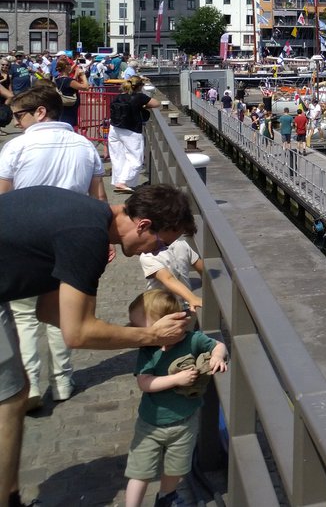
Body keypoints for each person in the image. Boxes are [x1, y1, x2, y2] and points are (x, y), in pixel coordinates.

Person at [1, 184, 196, 507]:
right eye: (160, 243)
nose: (154, 253)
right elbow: (77, 335)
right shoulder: (87, 237)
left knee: (16, 392)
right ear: (143, 225)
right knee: (8, 399)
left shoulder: (89, 219)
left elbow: (49, 311)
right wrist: (151, 336)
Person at [0, 83, 106, 415]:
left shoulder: (16, 148)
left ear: (40, 112)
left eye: (19, 115)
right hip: (71, 242)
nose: (15, 123)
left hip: (25, 244)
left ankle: (31, 385)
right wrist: (101, 242)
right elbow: (99, 200)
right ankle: (62, 382)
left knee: (25, 318)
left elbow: (3, 202)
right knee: (62, 314)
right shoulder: (85, 145)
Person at [122, 290, 227, 507]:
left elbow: (218, 345)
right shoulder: (148, 350)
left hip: (184, 422)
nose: (133, 330)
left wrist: (217, 356)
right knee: (140, 471)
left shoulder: (192, 340)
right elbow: (145, 383)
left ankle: (167, 497)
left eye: (137, 325)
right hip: (151, 425)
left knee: (176, 468)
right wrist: (177, 379)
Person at [109, 77, 161, 193]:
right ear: (139, 87)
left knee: (118, 157)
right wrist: (143, 106)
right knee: (135, 158)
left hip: (114, 129)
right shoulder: (139, 97)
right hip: (131, 131)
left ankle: (119, 181)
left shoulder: (118, 97)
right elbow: (156, 103)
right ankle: (123, 182)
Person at [140, 238, 204, 313]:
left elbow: (168, 279)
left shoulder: (147, 255)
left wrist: (192, 298)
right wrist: (192, 298)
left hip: (168, 305)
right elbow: (201, 268)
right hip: (166, 306)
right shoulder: (183, 245)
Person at [52, 56, 90, 131]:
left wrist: (75, 65)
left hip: (62, 108)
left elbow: (67, 74)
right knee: (69, 127)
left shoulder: (57, 79)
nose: (70, 65)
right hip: (70, 109)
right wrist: (82, 75)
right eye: (69, 64)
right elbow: (86, 87)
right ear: (66, 67)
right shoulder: (69, 81)